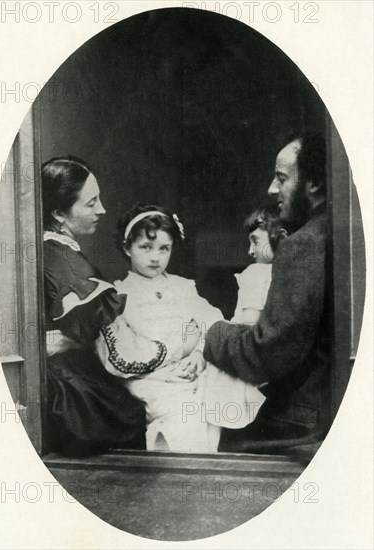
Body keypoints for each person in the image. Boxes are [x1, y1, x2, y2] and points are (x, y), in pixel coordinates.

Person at [204, 133, 332, 455]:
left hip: (301, 425)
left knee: (212, 432)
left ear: (314, 181)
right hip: (325, 412)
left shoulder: (303, 244)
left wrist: (210, 331)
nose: (272, 189)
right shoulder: (333, 231)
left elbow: (266, 353)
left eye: (281, 178)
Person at [42, 157, 169, 457]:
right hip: (71, 390)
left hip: (67, 373)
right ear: (59, 212)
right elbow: (120, 356)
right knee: (137, 412)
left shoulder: (53, 250)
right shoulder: (66, 264)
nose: (102, 209)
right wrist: (174, 351)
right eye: (91, 203)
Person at [95, 204, 224, 452]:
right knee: (182, 412)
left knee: (215, 401)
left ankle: (204, 468)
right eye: (145, 247)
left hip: (189, 370)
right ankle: (177, 471)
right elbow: (122, 354)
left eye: (164, 249)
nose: (155, 257)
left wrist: (200, 353)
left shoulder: (183, 287)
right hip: (148, 379)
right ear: (127, 248)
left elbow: (211, 320)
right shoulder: (119, 295)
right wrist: (164, 373)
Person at [201, 205, 286, 432]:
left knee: (210, 407)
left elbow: (246, 327)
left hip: (244, 358)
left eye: (255, 241)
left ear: (281, 237)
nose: (250, 251)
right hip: (271, 362)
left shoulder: (256, 274)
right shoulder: (287, 275)